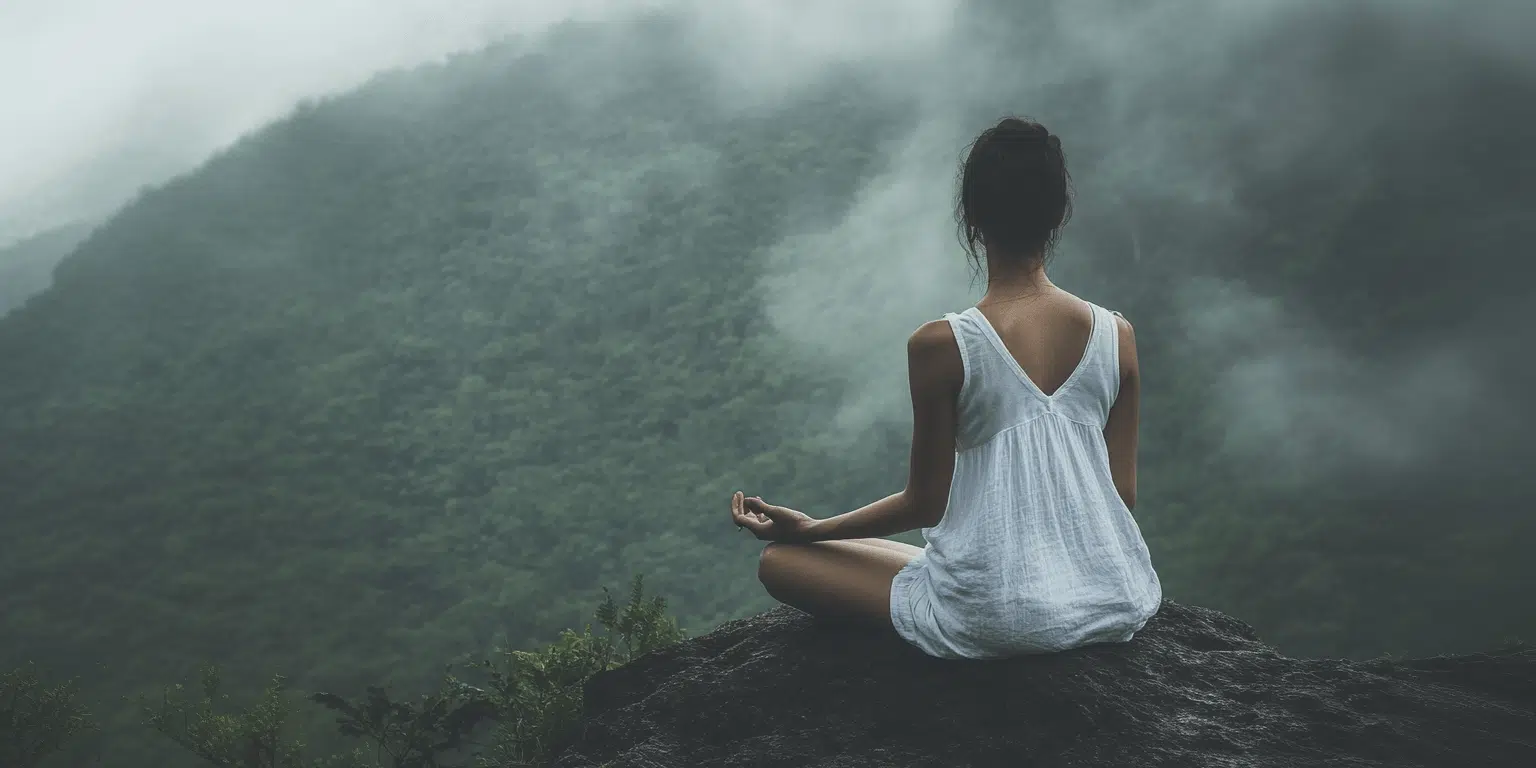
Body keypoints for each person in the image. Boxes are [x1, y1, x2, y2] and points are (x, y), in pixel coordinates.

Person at [729, 116, 1162, 659]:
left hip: (1000, 616)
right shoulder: (1117, 336)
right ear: (1057, 214)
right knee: (868, 551)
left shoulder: (944, 345)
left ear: (973, 217)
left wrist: (812, 531)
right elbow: (1118, 495)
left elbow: (925, 504)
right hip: (1112, 596)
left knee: (781, 562)